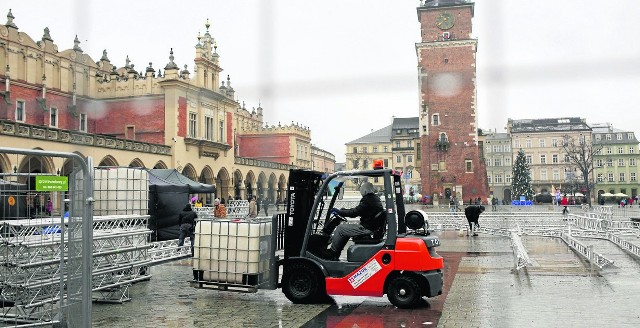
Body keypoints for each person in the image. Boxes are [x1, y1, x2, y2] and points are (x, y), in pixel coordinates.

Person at [321, 182, 384, 260]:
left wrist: (339, 212)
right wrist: (343, 211)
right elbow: (356, 210)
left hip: (367, 228)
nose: (361, 193)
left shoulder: (368, 200)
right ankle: (336, 254)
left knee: (341, 229)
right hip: (371, 227)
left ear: (364, 191)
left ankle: (332, 252)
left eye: (361, 191)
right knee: (346, 228)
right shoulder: (374, 199)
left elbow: (354, 213)